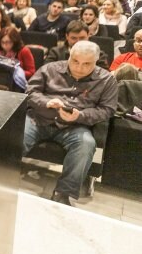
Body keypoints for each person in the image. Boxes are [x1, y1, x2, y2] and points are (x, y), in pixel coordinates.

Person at [23, 41, 118, 206]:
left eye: (87, 64)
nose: (79, 67)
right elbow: (30, 91)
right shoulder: (50, 69)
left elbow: (107, 110)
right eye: (75, 61)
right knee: (14, 134)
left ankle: (63, 192)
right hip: (40, 119)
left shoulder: (106, 80)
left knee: (86, 145)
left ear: (96, 62)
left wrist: (80, 116)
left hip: (75, 126)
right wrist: (46, 102)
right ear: (70, 56)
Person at [45, 20, 109, 69]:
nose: (78, 42)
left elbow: (104, 75)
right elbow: (47, 71)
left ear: (88, 35)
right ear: (67, 36)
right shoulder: (55, 52)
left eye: (82, 38)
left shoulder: (98, 54)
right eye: (74, 38)